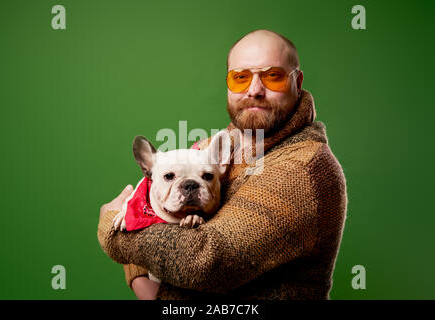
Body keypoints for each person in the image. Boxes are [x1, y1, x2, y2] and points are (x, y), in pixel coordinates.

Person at [98, 29, 347, 300]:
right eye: (240, 78)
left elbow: (204, 261)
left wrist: (113, 225)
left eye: (272, 76)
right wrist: (140, 273)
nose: (254, 90)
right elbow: (149, 198)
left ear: (297, 82)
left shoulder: (302, 169)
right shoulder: (212, 147)